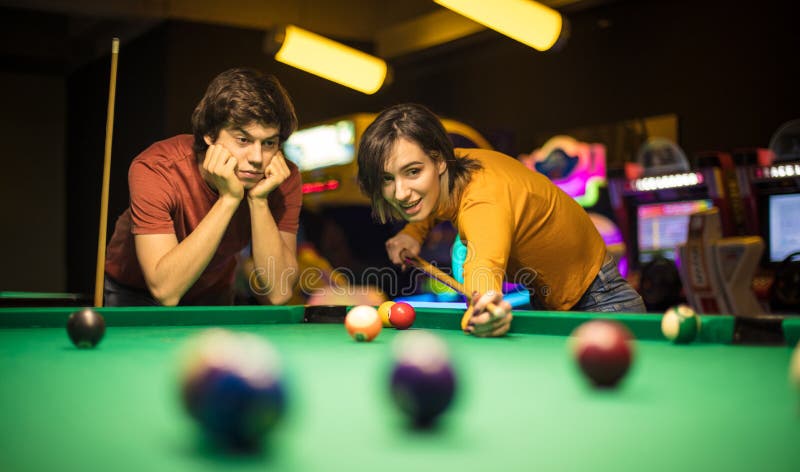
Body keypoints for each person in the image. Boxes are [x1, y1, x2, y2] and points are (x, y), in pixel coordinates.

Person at [357, 103, 645, 337]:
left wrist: (483, 310)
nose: (400, 192)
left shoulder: (483, 202)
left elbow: (485, 265)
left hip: (600, 300)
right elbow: (426, 198)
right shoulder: (451, 167)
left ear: (439, 161)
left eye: (412, 172)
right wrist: (413, 233)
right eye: (387, 179)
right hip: (554, 300)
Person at [104, 68, 302, 306]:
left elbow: (278, 292)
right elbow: (165, 291)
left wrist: (259, 201)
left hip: (211, 292)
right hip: (135, 291)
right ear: (210, 134)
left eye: (269, 142)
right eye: (243, 140)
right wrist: (229, 199)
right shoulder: (157, 168)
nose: (258, 158)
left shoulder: (281, 178)